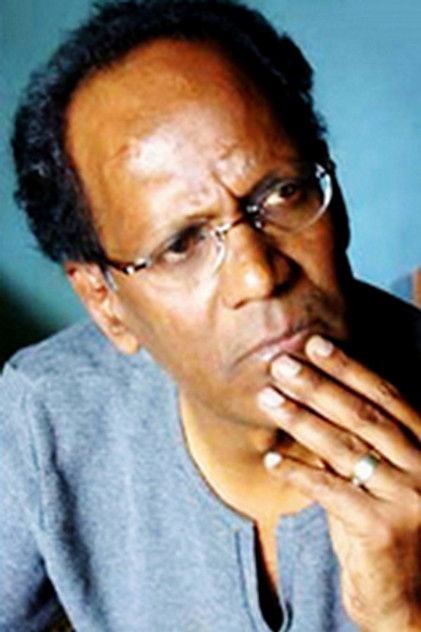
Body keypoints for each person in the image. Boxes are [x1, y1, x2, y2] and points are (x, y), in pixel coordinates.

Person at [2, 0, 420, 630]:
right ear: (104, 303)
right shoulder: (51, 415)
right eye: (181, 245)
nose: (259, 275)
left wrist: (403, 615)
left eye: (283, 193)